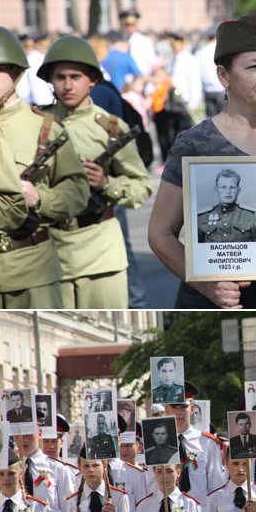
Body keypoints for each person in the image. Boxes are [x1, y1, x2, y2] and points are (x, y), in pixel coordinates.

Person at [148, 13, 256, 311]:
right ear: (223, 76)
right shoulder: (197, 143)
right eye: (254, 66)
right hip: (218, 296)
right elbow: (160, 234)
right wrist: (205, 284)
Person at [38, 34, 153, 309]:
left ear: (92, 79)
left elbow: (141, 185)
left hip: (100, 251)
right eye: (60, 77)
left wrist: (106, 183)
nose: (67, 85)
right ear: (50, 80)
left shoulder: (111, 128)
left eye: (75, 76)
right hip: (47, 252)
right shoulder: (36, 124)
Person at [0, 28, 88, 309]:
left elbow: (78, 192)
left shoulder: (44, 126)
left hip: (29, 272)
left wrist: (40, 198)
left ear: (14, 72)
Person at [197, 169, 256, 244]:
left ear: (238, 191)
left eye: (232, 187)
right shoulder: (202, 217)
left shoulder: (250, 216)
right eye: (223, 187)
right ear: (216, 190)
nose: (228, 192)